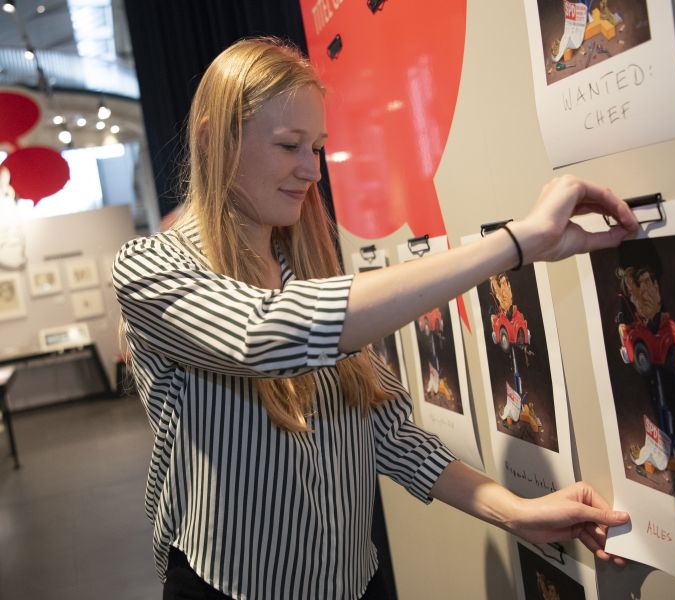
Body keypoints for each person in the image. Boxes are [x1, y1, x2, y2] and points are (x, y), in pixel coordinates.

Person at [113, 36, 637, 600]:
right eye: (289, 145)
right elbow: (263, 336)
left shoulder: (305, 264)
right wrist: (516, 244)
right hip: (231, 588)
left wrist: (514, 511)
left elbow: (382, 427)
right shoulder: (150, 268)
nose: (311, 170)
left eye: (316, 147)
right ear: (216, 139)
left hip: (352, 582)